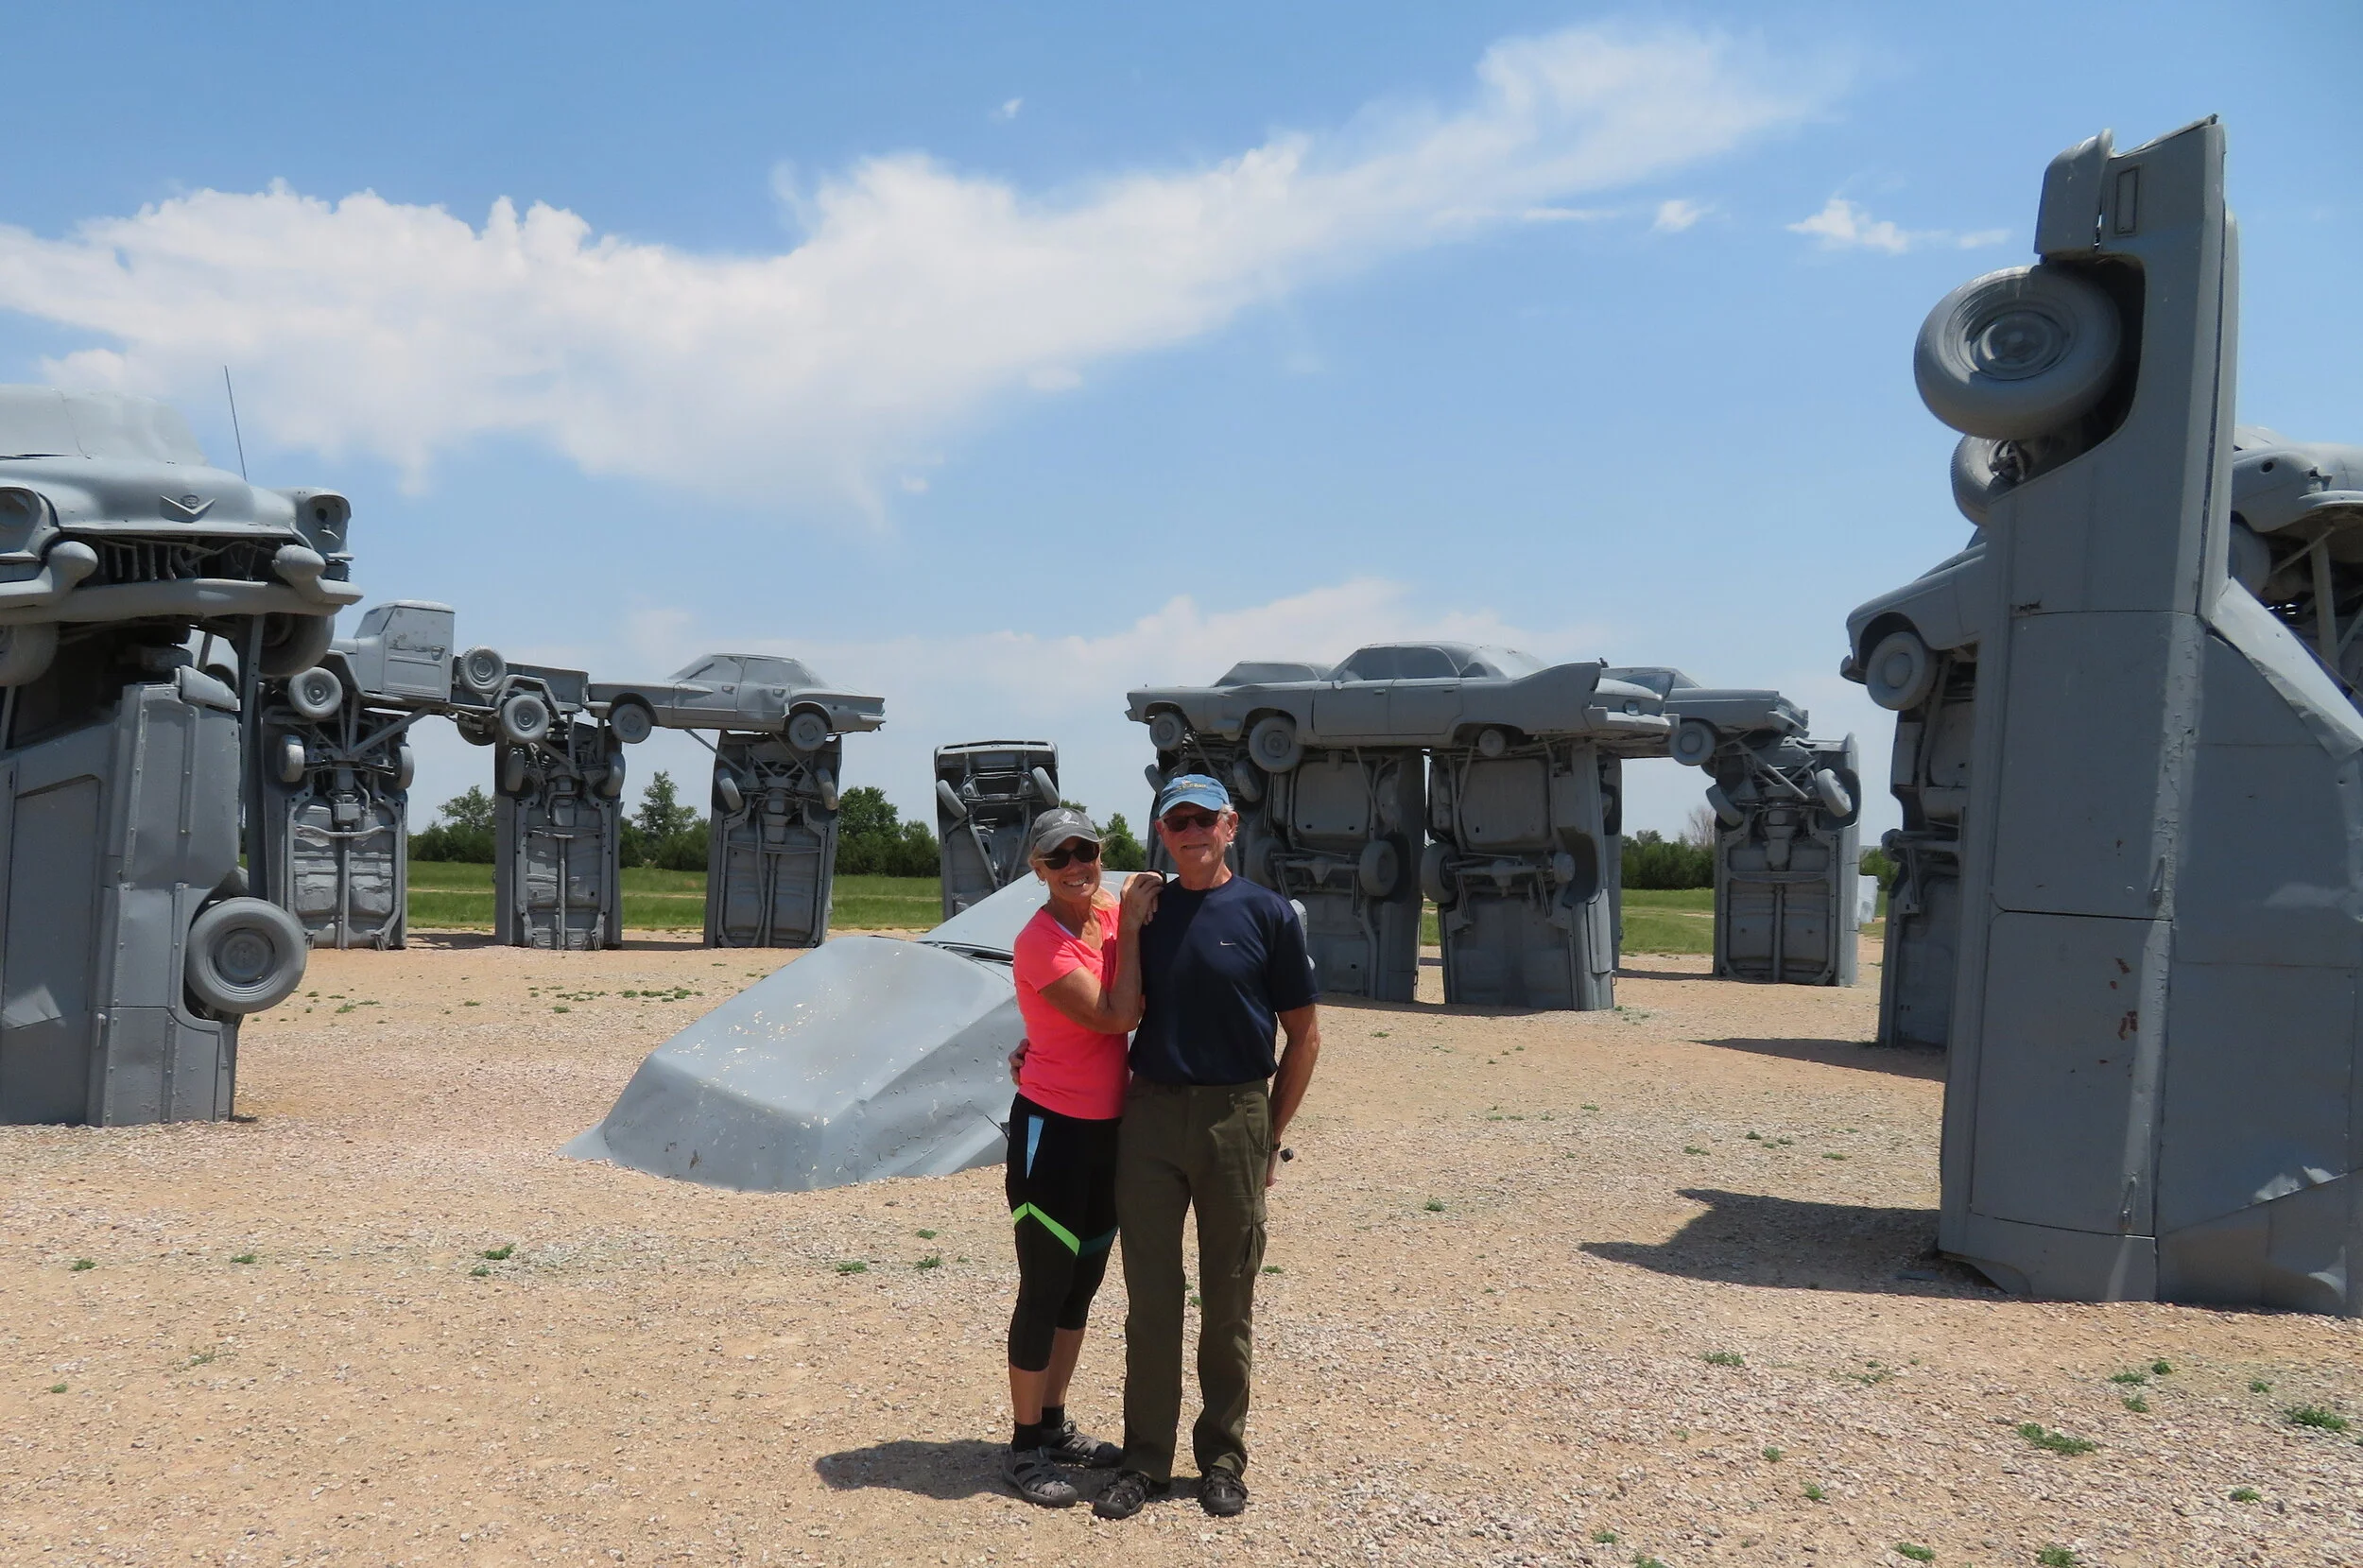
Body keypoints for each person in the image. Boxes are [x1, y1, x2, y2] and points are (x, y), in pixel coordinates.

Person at [1093, 773, 1321, 1522]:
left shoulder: (1266, 913)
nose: (1191, 831)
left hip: (1235, 1113)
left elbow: (1304, 1036)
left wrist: (1269, 1134)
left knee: (1229, 1297)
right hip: (1152, 1116)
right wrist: (1035, 1048)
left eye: (1203, 818)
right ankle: (1145, 1461)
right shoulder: (1144, 913)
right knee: (1151, 1299)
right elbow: (1111, 1008)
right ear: (1162, 832)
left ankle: (1222, 1458)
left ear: (1230, 824)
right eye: (1177, 820)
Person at [999, 807, 1160, 1508]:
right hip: (1053, 1131)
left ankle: (1055, 1422)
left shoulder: (1114, 915)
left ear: (1100, 853)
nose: (1075, 866)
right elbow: (1115, 1016)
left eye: (1084, 851)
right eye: (1057, 857)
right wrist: (1131, 923)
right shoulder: (1040, 942)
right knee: (1045, 1286)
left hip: (1108, 1132)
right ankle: (1024, 1444)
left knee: (1082, 1286)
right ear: (1037, 868)